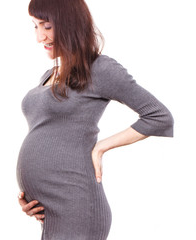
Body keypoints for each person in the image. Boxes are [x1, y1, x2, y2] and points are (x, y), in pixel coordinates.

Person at [16, 0, 174, 239]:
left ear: (69, 23)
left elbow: (159, 116)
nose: (40, 37)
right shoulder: (49, 74)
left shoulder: (100, 68)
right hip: (51, 211)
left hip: (77, 205)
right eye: (35, 26)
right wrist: (34, 196)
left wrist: (101, 147)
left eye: (46, 26)